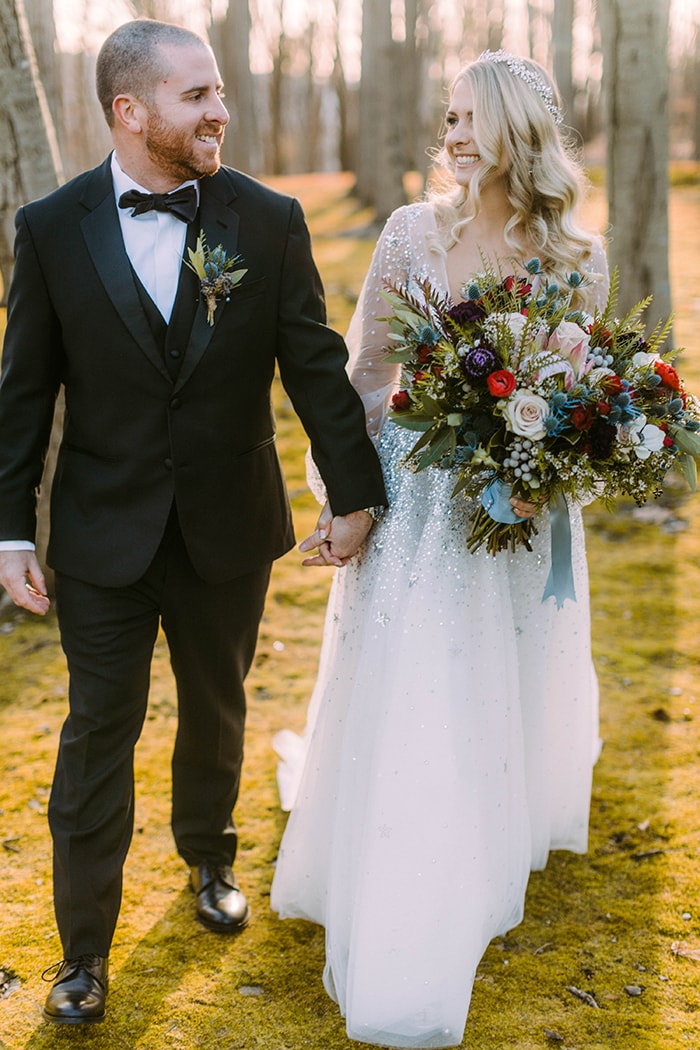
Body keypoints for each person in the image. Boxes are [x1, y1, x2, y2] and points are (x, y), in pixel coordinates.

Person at [0, 18, 386, 1025]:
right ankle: (83, 955)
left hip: (226, 524)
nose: (221, 111)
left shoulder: (264, 219)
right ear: (129, 112)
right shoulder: (48, 227)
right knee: (96, 735)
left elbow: (313, 362)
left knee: (216, 710)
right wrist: (7, 534)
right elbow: (22, 394)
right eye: (197, 96)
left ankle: (210, 861)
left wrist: (355, 496)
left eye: (218, 92)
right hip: (100, 537)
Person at [271, 50, 610, 1048]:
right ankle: (404, 875)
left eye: (474, 118)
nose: (453, 133)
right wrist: (352, 500)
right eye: (449, 116)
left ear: (522, 135)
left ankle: (486, 836)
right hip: (419, 507)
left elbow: (578, 391)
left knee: (498, 669)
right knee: (417, 676)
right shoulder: (411, 233)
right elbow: (363, 370)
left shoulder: (575, 257)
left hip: (519, 512)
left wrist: (556, 438)